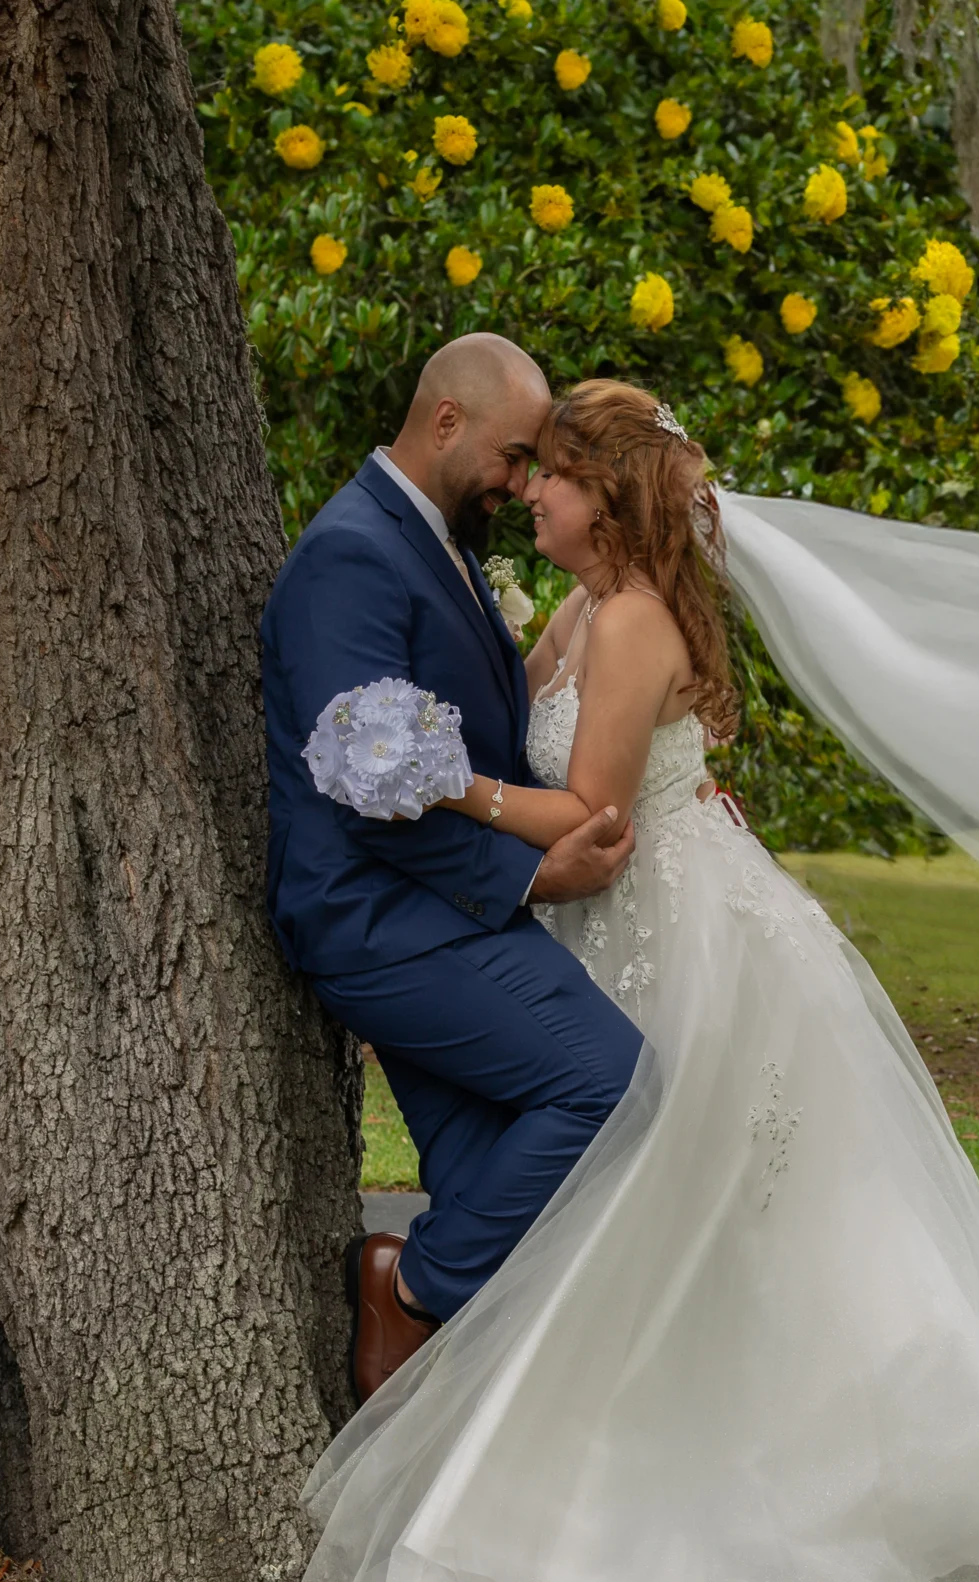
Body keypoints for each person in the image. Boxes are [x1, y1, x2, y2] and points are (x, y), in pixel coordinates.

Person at [288, 381, 979, 1582]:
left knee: (688, 1191)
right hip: (616, 917)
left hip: (676, 923)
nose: (529, 491)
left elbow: (596, 812)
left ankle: (768, 1477)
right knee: (637, 1194)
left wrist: (443, 786)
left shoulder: (633, 621)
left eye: (550, 473)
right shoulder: (586, 607)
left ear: (606, 496)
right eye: (528, 467)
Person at [259, 335, 644, 1403]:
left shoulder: (438, 545)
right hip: (378, 918)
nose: (522, 483)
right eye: (516, 456)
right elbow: (361, 776)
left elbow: (467, 745)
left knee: (498, 1191)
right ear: (445, 423)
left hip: (436, 910)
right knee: (609, 1083)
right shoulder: (353, 554)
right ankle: (410, 1287)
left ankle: (450, 1439)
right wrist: (531, 877)